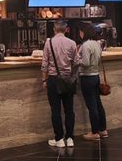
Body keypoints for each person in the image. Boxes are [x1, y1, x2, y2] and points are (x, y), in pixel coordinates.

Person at [41, 19, 81, 148]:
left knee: (56, 110)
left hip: (53, 79)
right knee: (69, 109)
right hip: (68, 79)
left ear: (54, 29)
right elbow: (76, 63)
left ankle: (59, 139)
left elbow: (45, 63)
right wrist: (71, 74)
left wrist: (44, 79)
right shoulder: (72, 43)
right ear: (66, 29)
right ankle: (70, 138)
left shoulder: (49, 42)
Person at [78, 24, 108, 141]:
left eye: (81, 32)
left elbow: (85, 63)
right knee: (98, 104)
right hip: (96, 76)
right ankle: (103, 130)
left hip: (87, 77)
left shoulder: (86, 45)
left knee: (92, 106)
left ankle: (95, 132)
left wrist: (76, 58)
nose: (80, 34)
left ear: (84, 32)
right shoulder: (97, 44)